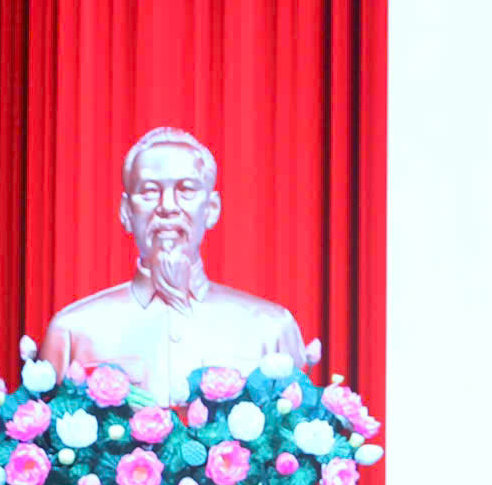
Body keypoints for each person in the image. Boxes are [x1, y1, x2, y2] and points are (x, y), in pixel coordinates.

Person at [41, 125, 309, 400]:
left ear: (212, 209)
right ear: (126, 212)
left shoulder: (271, 328)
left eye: (186, 190)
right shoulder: (73, 331)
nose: (167, 206)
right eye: (149, 191)